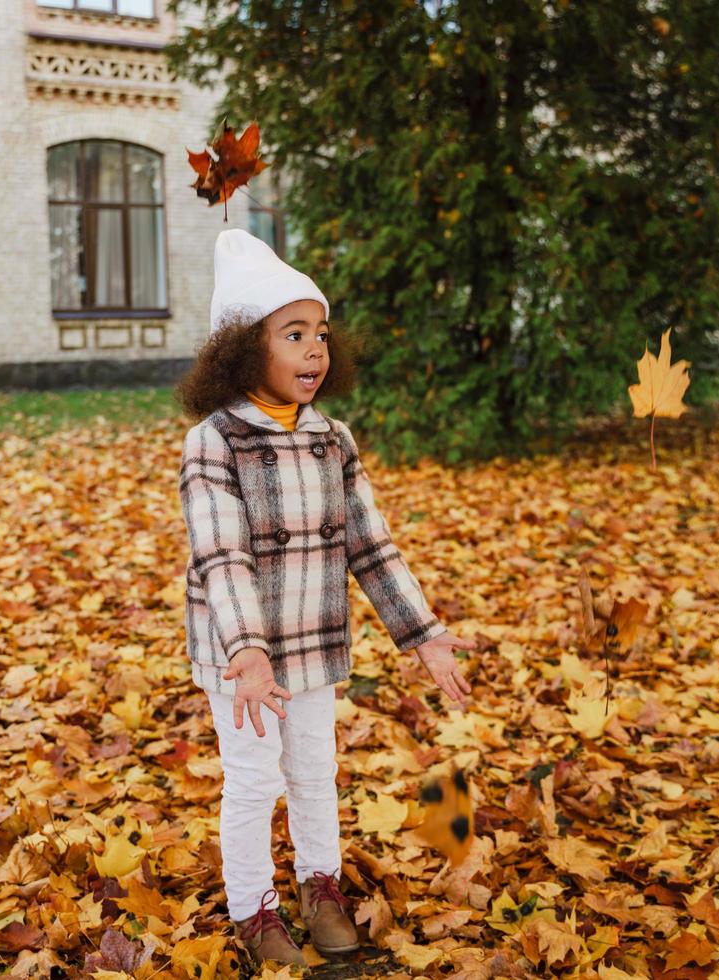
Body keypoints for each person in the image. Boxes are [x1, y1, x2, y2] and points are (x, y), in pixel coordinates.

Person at [174, 229, 477, 968]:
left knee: (314, 769)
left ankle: (322, 886)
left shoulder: (333, 439)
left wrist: (423, 634)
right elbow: (222, 555)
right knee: (254, 779)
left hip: (313, 641)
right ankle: (254, 911)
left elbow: (371, 547)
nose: (315, 351)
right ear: (246, 348)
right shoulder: (215, 442)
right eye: (293, 334)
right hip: (244, 659)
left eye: (321, 334)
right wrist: (246, 651)